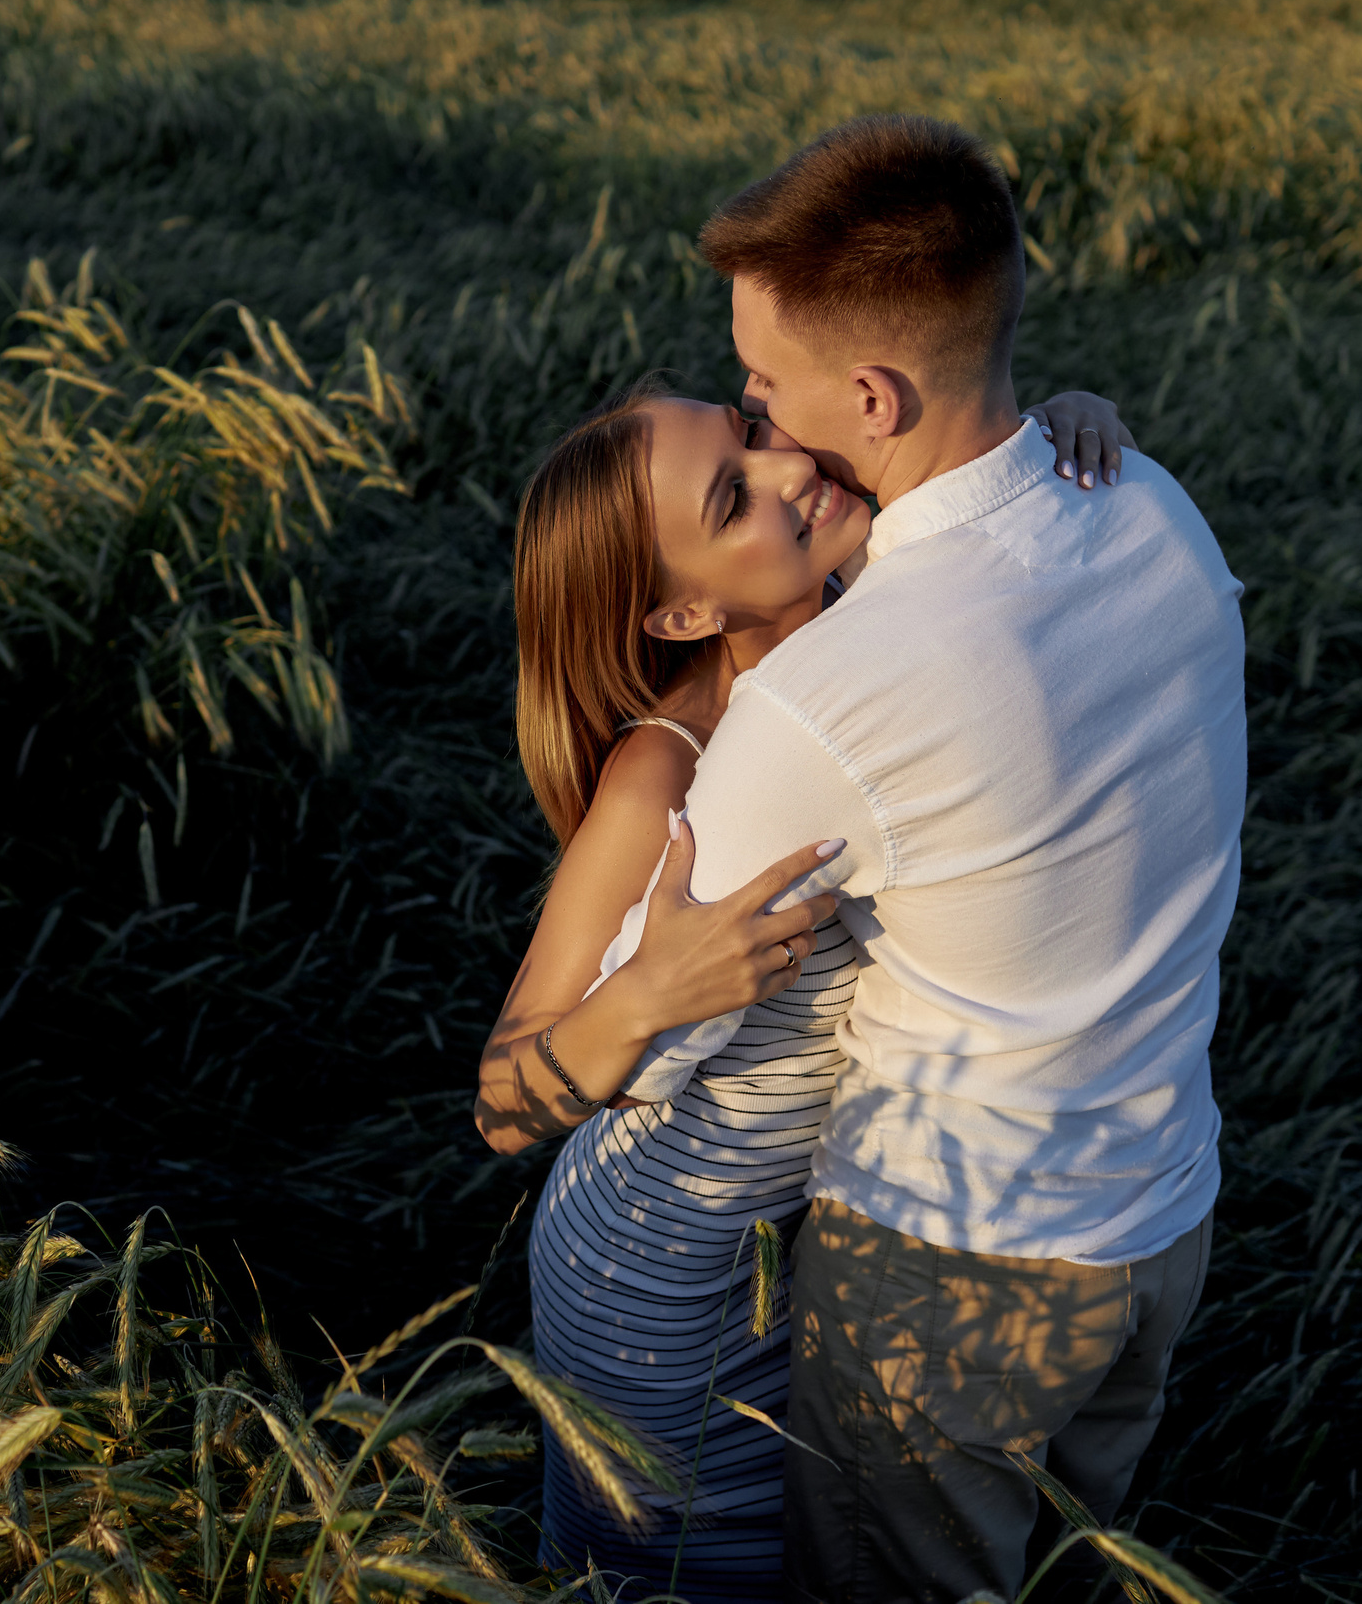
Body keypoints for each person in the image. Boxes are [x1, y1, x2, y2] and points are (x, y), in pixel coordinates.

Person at [675, 115, 1248, 1603]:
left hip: (952, 1266)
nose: (756, 421)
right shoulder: (1152, 501)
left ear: (868, 393)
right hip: (1159, 1216)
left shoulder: (829, 695)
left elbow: (665, 1041)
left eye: (761, 391)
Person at [475, 366, 1137, 1595]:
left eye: (751, 435)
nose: (792, 470)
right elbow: (503, 1103)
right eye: (734, 497)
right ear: (678, 614)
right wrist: (651, 994)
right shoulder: (664, 764)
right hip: (657, 1275)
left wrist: (1060, 424)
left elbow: (972, 492)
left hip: (806, 1250)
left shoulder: (872, 596)